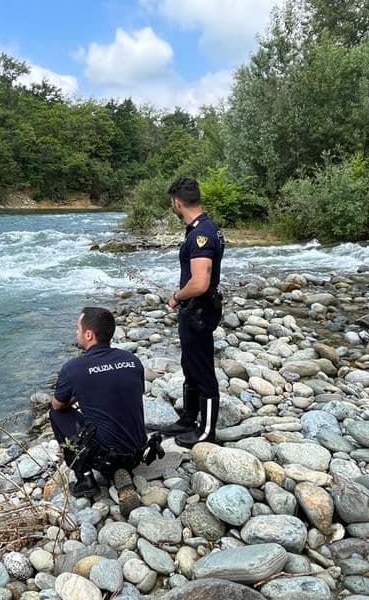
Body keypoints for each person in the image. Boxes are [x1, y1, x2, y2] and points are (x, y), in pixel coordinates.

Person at [49, 307, 148, 498]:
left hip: (106, 457)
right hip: (138, 452)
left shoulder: (74, 368)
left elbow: (57, 405)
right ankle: (122, 473)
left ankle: (85, 478)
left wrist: (78, 392)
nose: (75, 332)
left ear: (88, 334)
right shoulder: (131, 359)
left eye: (77, 328)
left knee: (56, 414)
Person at [162, 176, 225, 448]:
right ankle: (189, 419)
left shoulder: (202, 234)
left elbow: (200, 283)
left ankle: (206, 431)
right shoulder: (200, 228)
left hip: (199, 310)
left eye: (171, 203)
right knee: (190, 363)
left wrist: (176, 296)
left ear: (177, 202)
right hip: (193, 311)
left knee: (201, 368)